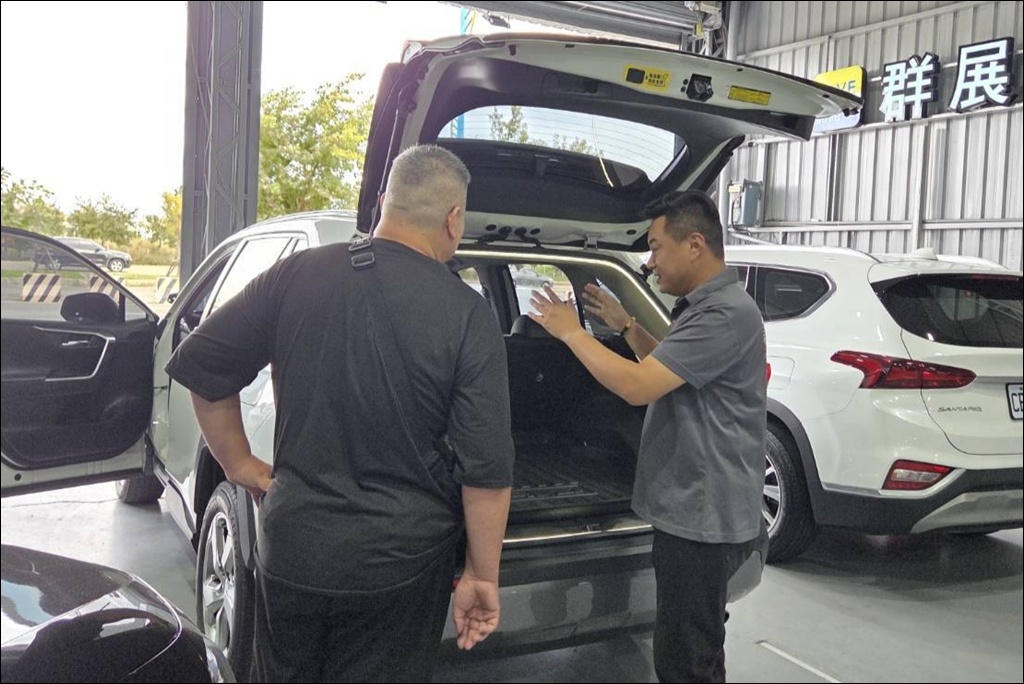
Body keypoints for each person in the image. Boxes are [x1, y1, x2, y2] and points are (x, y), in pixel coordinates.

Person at [165, 145, 515, 683]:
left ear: (382, 202)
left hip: (292, 551)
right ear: (453, 219)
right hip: (401, 568)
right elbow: (486, 474)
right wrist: (480, 575)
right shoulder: (468, 314)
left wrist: (240, 466)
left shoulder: (294, 274)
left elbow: (204, 370)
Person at [528, 190, 766, 683]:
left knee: (687, 660)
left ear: (694, 244)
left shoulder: (722, 313)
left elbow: (639, 388)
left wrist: (573, 334)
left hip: (704, 518)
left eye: (656, 248)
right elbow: (671, 367)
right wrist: (627, 325)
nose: (651, 263)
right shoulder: (706, 307)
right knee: (691, 642)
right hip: (695, 511)